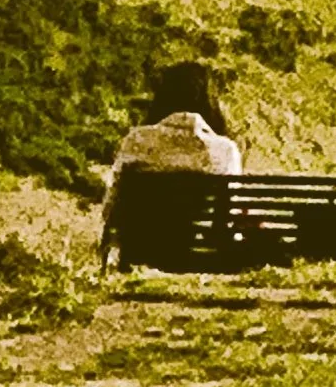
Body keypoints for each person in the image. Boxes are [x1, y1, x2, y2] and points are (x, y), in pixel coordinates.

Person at [98, 63, 243, 268]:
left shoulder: (136, 141)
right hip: (201, 253)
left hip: (141, 249)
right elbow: (230, 214)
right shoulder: (225, 150)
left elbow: (111, 205)